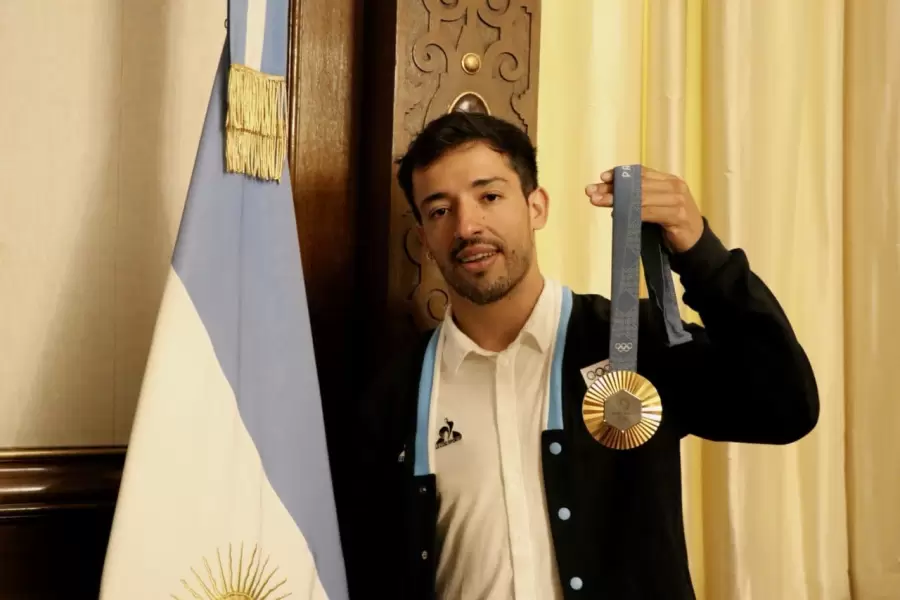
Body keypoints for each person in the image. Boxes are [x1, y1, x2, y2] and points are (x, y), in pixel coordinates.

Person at [342, 112, 819, 600]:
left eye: (489, 196)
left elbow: (785, 406)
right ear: (423, 237)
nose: (467, 225)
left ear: (537, 207)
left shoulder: (630, 344)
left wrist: (699, 251)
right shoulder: (392, 396)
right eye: (440, 210)